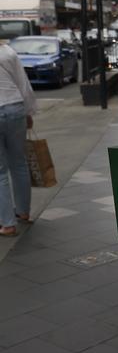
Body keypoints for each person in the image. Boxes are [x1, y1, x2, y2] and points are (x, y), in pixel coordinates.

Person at [0, 40, 36, 237]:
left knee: (0, 171)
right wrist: (29, 112)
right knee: (19, 163)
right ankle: (23, 212)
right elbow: (23, 84)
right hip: (15, 108)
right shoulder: (8, 52)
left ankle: (7, 223)